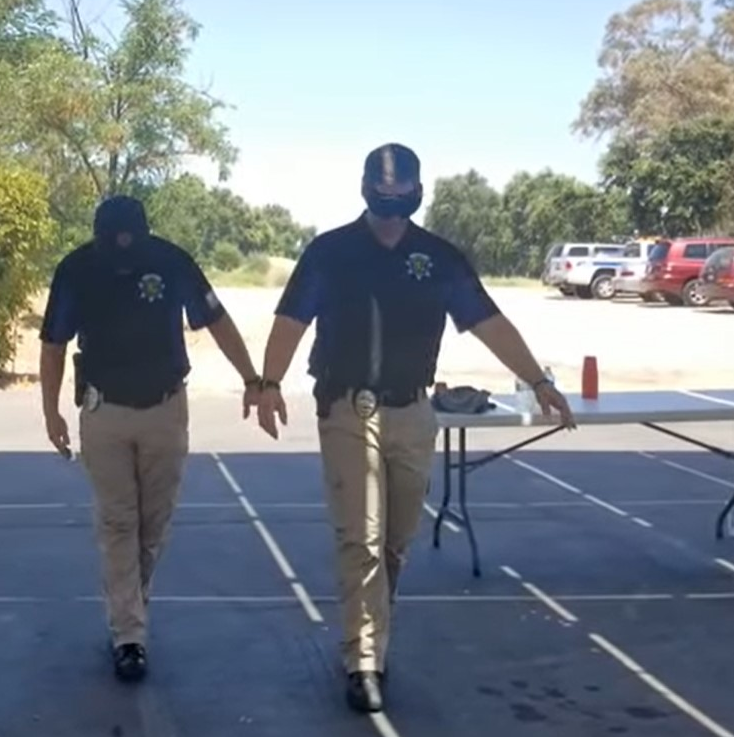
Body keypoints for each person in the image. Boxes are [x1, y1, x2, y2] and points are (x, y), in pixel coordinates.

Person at [254, 143, 576, 713]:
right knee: (364, 537)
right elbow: (292, 319)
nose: (392, 202)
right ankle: (365, 661)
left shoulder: (439, 257)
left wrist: (538, 380)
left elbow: (487, 321)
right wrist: (269, 383)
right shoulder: (330, 253)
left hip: (414, 412)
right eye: (384, 192)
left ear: (416, 191)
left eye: (403, 192)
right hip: (349, 409)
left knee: (395, 542)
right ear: (365, 189)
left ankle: (372, 624)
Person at [38, 195, 260, 682]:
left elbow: (216, 320)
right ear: (98, 236)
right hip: (104, 412)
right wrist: (50, 411)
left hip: (165, 409)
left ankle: (128, 605)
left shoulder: (171, 261)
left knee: (152, 526)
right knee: (119, 524)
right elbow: (53, 344)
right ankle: (129, 635)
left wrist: (252, 379)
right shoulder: (76, 269)